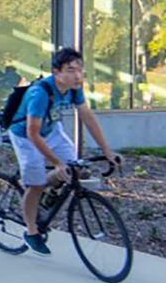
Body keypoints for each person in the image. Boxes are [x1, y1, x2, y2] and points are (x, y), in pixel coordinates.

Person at [10, 47, 118, 256]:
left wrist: (107, 151)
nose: (77, 75)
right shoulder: (40, 94)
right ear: (56, 72)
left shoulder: (74, 88)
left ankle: (49, 192)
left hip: (51, 130)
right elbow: (33, 134)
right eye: (70, 70)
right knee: (36, 184)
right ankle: (31, 231)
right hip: (25, 136)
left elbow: (87, 117)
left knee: (74, 168)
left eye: (80, 69)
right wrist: (56, 162)